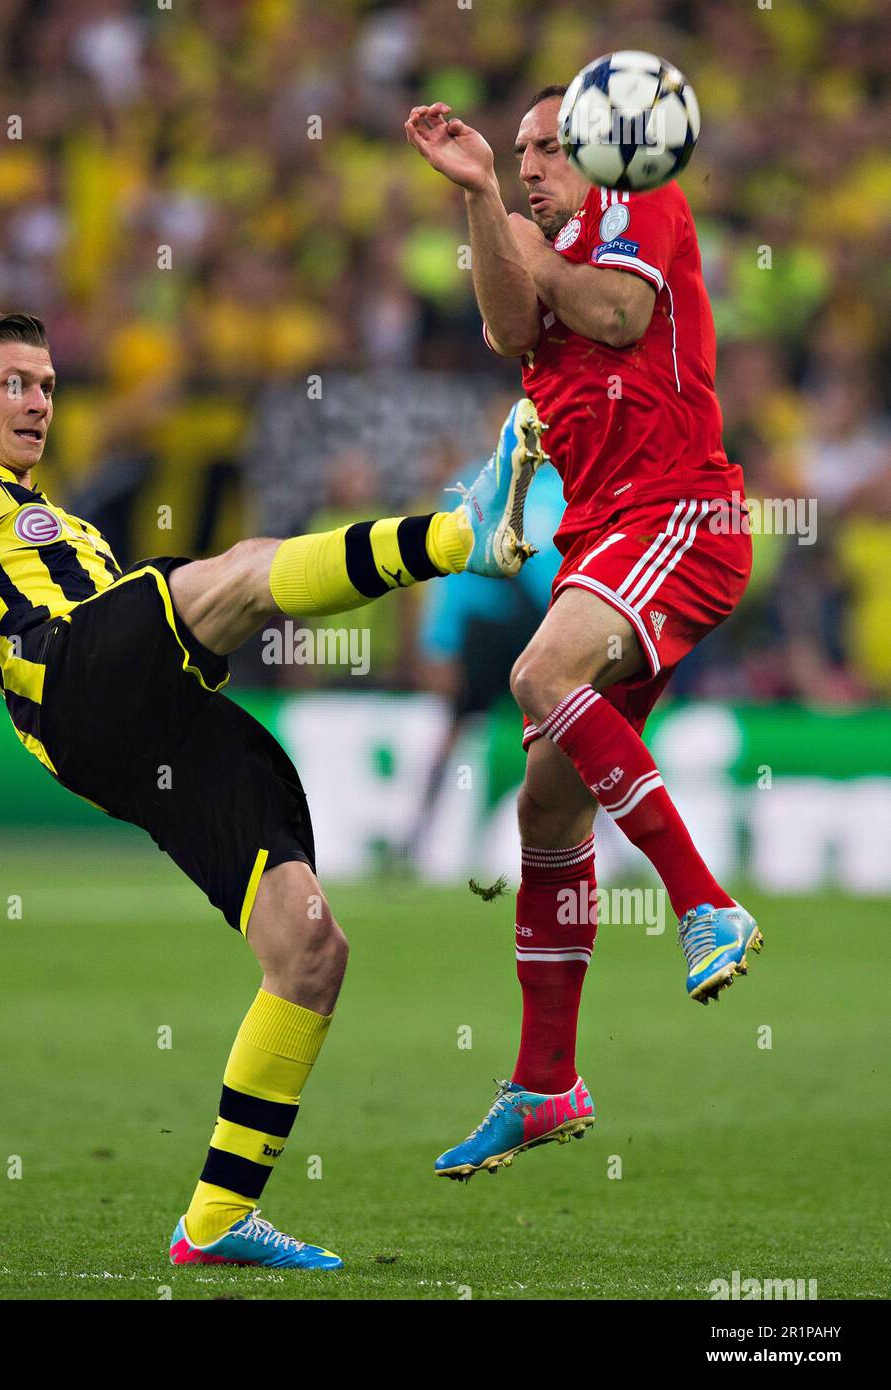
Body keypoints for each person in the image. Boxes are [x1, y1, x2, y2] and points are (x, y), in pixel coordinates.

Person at [0, 311, 544, 1265]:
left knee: (309, 949)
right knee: (244, 572)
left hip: (150, 727)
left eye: (49, 384)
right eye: (14, 382)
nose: (37, 402)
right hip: (72, 681)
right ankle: (459, 538)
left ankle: (217, 1219)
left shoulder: (38, 507)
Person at [406, 86, 761, 1181]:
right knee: (545, 801)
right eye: (516, 154)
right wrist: (478, 205)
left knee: (534, 670)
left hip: (678, 515)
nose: (529, 167)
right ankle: (544, 1083)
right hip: (601, 537)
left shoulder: (640, 204)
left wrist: (528, 243)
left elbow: (610, 315)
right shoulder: (517, 228)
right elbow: (509, 324)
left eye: (549, 149)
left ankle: (704, 904)